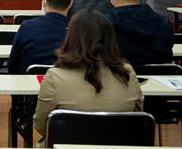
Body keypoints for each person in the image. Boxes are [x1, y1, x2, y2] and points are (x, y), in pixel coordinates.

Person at [33, 10, 144, 147]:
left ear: (71, 37)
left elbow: (41, 125)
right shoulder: (127, 73)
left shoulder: (54, 76)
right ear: (110, 38)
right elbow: (138, 117)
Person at [106, 0, 174, 66]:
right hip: (158, 76)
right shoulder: (164, 23)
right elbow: (168, 58)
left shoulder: (104, 25)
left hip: (120, 75)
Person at [7, 0, 72, 74]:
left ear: (43, 2)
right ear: (70, 4)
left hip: (30, 82)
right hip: (65, 82)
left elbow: (12, 66)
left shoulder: (27, 27)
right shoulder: (77, 31)